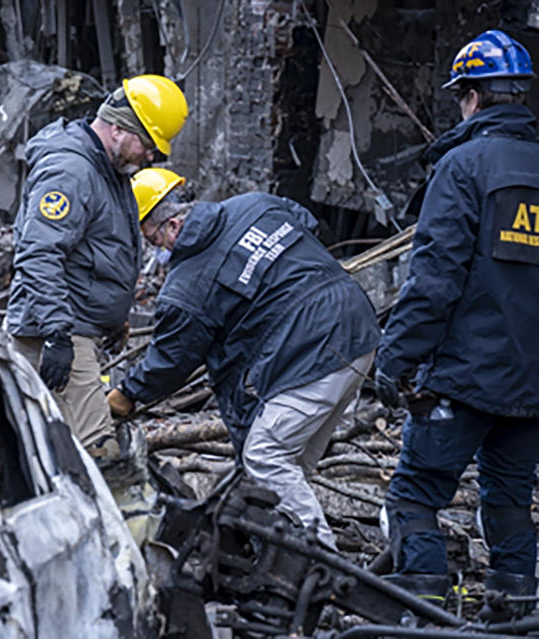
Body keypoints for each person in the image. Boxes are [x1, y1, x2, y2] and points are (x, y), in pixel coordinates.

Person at [107, 168, 380, 549]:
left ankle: (322, 565)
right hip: (360, 330)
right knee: (287, 468)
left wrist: (126, 394)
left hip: (315, 355)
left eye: (151, 237)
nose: (154, 247)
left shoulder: (187, 289)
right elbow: (306, 223)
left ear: (171, 225)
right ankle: (277, 559)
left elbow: (171, 361)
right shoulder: (256, 205)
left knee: (266, 456)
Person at [374, 29, 539, 609]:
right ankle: (515, 613)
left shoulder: (463, 166)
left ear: (470, 95)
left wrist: (394, 360)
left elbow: (435, 278)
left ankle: (423, 613)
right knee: (510, 501)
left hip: (466, 375)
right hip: (531, 383)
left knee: (415, 494)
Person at [7, 75, 188, 459]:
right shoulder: (72, 172)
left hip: (75, 330)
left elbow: (96, 250)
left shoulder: (109, 170)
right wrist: (57, 334)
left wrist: (113, 318)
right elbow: (38, 254)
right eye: (149, 145)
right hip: (57, 334)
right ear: (120, 128)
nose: (152, 157)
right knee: (98, 454)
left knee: (49, 452)